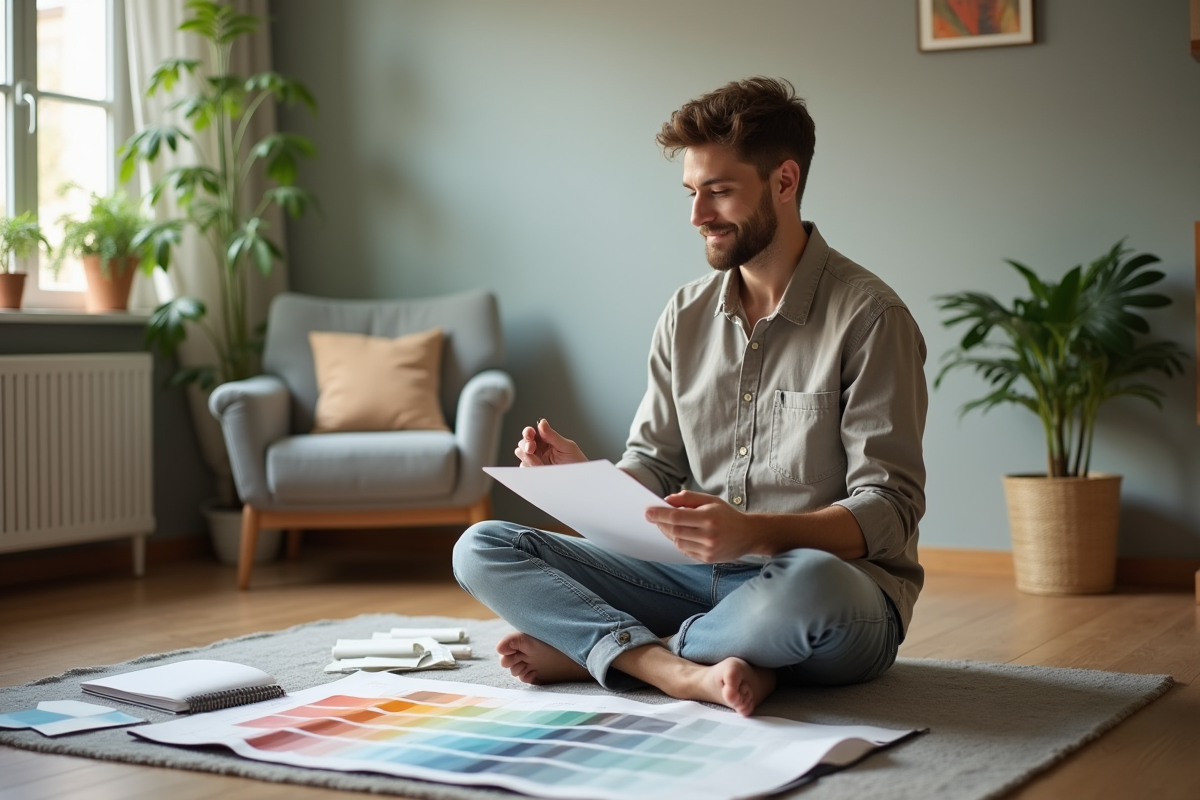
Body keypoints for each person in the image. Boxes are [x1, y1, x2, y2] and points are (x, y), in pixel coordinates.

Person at [453, 77, 926, 717]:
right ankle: (688, 667)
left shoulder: (870, 317)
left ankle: (617, 653)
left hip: (819, 591)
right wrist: (583, 480)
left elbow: (890, 509)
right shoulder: (685, 313)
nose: (698, 215)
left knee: (811, 587)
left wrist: (753, 534)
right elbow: (653, 463)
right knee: (481, 548)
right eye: (691, 192)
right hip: (690, 582)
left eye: (720, 191)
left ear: (784, 182)